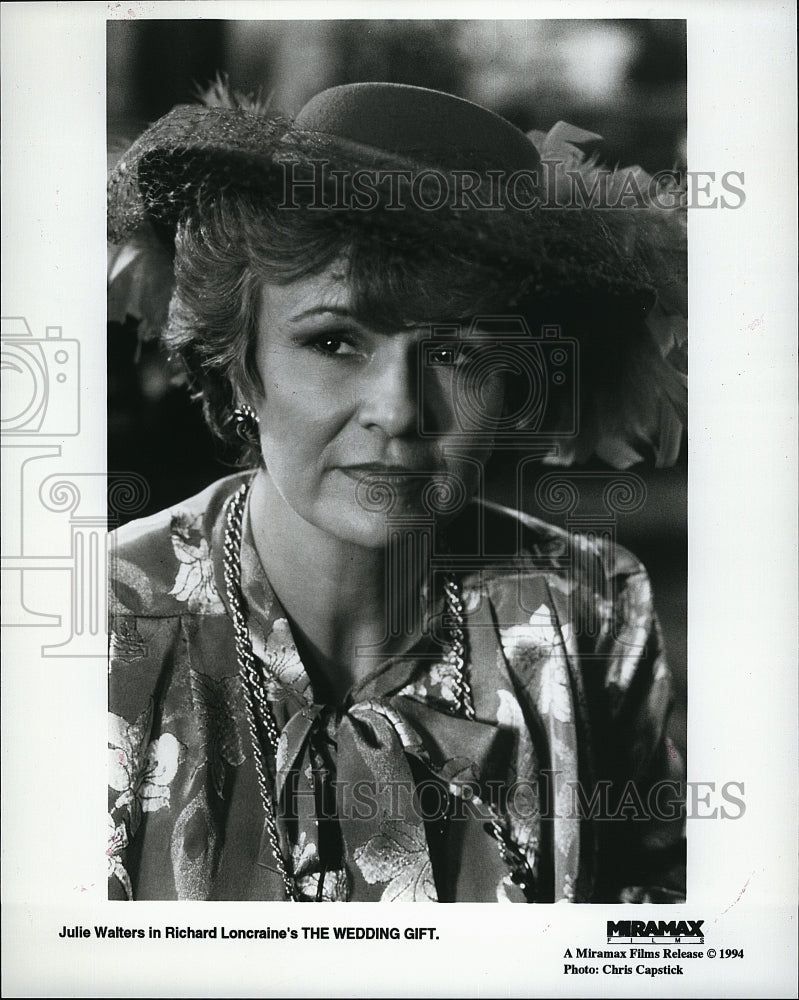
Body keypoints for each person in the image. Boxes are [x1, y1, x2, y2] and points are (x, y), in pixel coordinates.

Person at [106, 81, 687, 902]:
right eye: (335, 340)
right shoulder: (98, 624)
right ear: (240, 364)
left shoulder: (589, 605)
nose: (399, 410)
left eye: (458, 354)